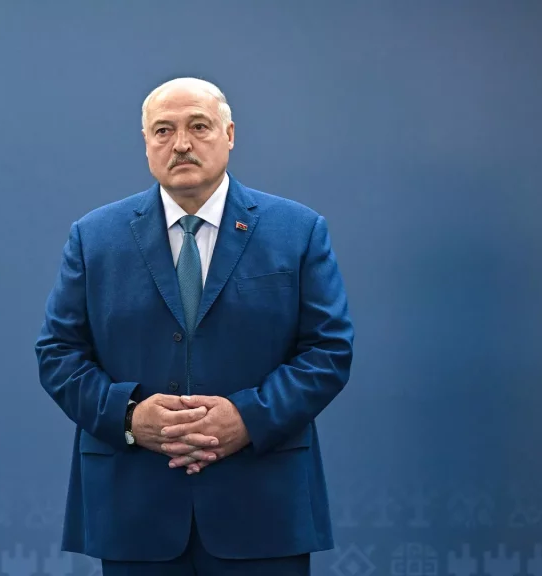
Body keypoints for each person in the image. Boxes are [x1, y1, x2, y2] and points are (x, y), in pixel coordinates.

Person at [34, 77, 354, 576]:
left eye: (198, 126)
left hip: (262, 505)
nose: (181, 143)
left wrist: (248, 418)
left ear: (230, 134)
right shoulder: (94, 238)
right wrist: (129, 417)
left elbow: (328, 351)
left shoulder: (297, 231)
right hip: (135, 510)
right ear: (146, 143)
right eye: (163, 130)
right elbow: (58, 354)